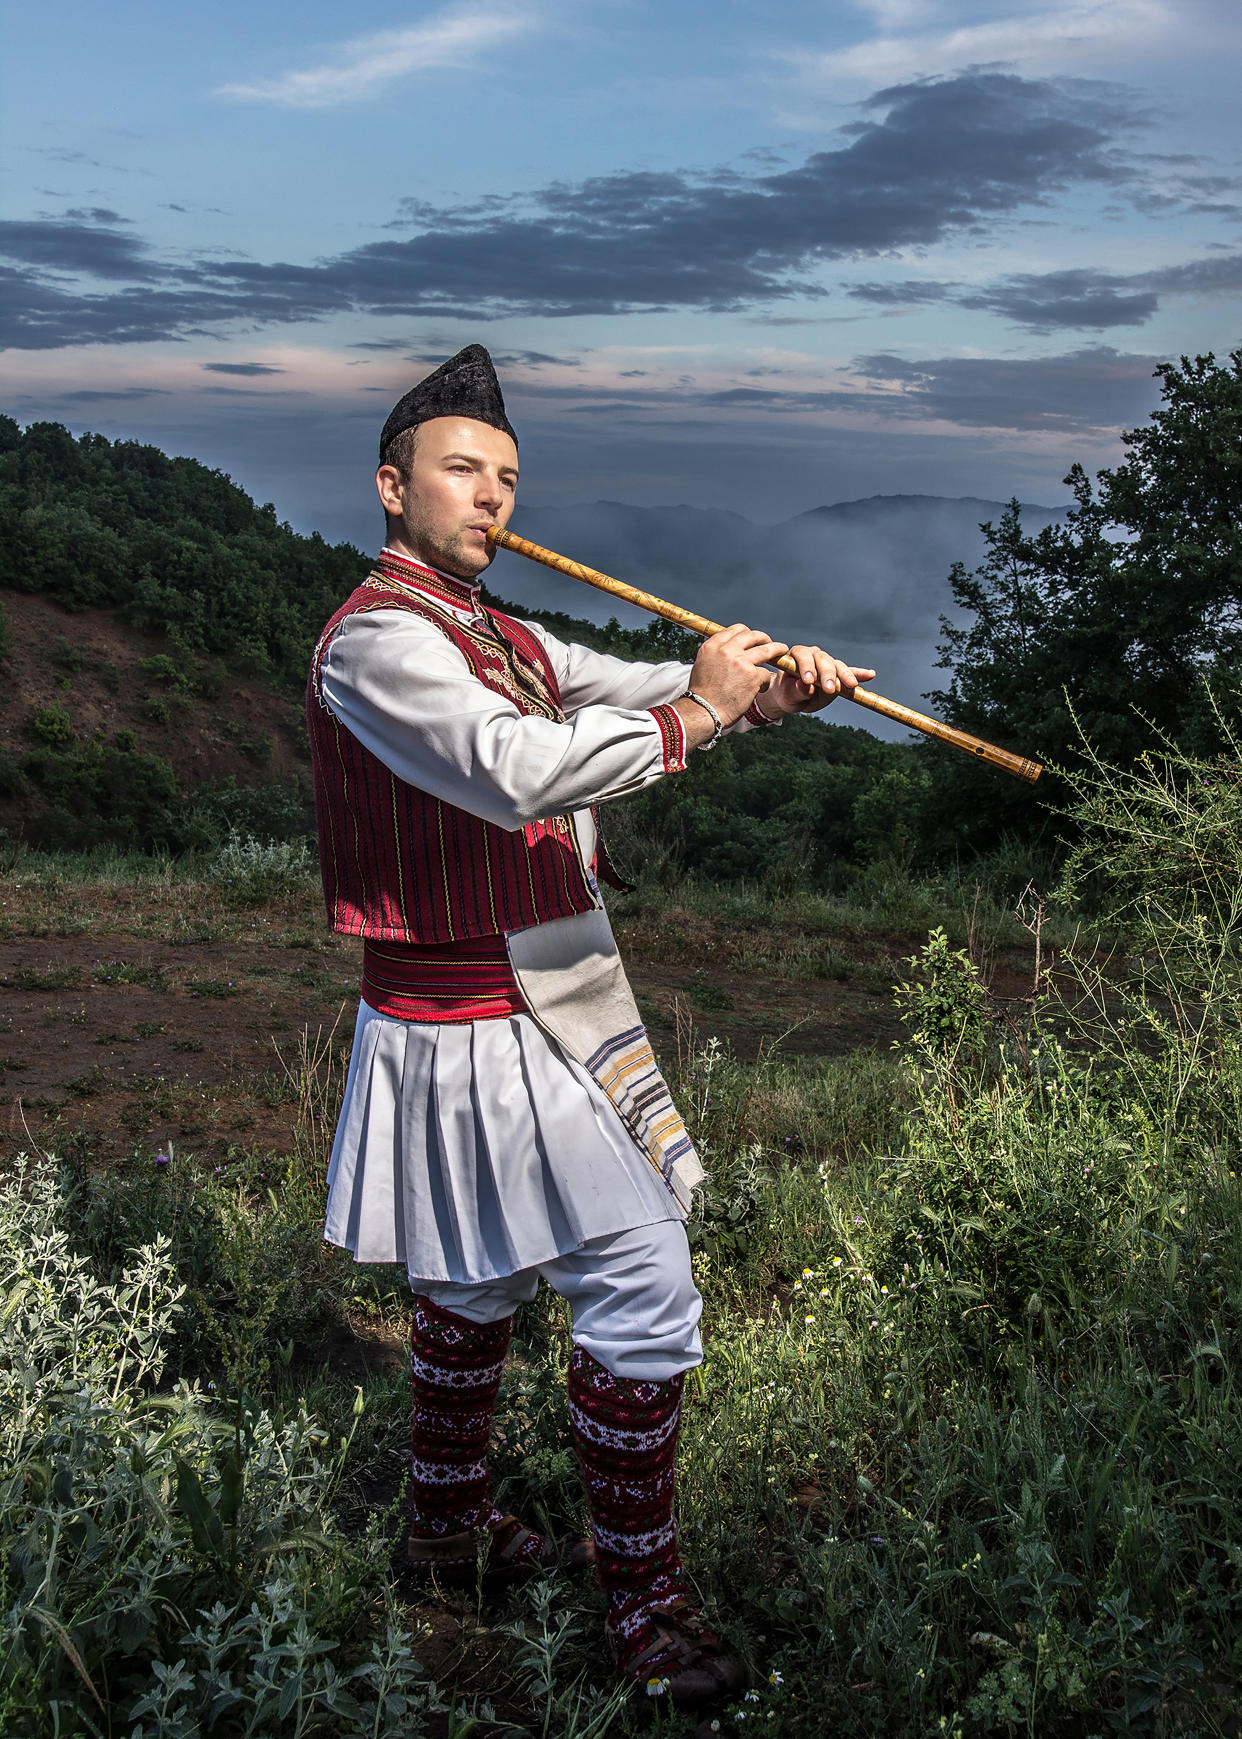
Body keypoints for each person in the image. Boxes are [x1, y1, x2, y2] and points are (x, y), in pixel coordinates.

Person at [306, 344, 874, 1710]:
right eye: (461, 471)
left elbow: (615, 690)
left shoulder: (500, 631)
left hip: (525, 994)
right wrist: (701, 707)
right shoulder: (378, 642)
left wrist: (749, 695)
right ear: (391, 489)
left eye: (506, 477)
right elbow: (517, 770)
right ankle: (644, 1601)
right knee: (637, 1282)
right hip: (469, 1015)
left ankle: (443, 1532)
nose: (491, 495)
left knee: (473, 1279)